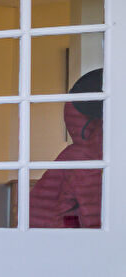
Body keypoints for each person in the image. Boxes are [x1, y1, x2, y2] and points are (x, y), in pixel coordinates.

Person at [28, 69, 102, 228]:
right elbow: (94, 221)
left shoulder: (77, 155)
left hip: (41, 234)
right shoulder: (87, 159)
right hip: (55, 240)